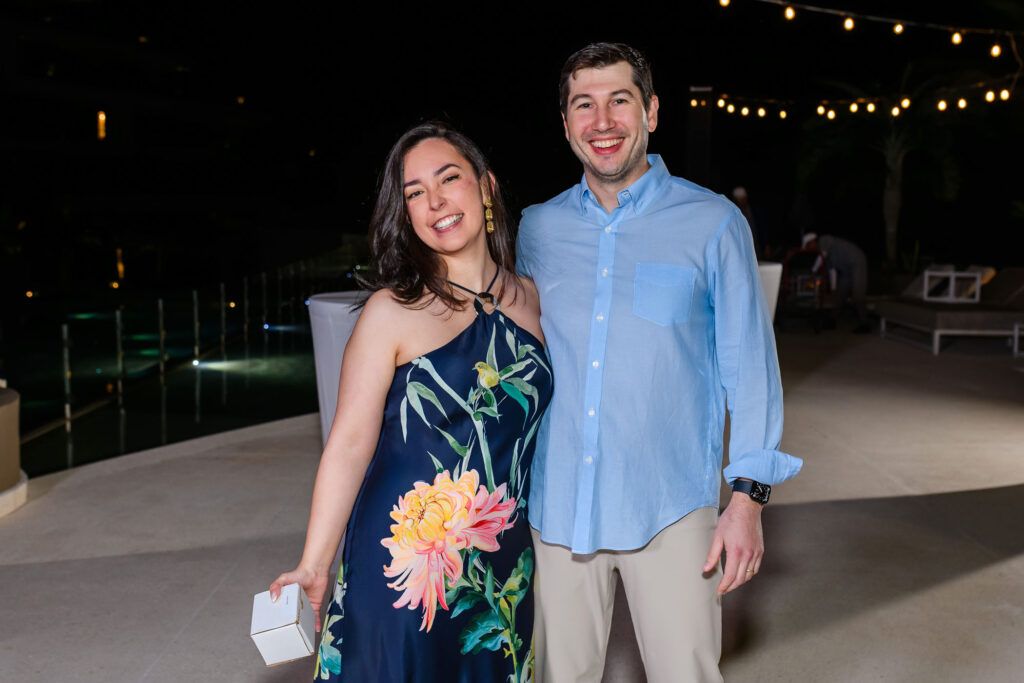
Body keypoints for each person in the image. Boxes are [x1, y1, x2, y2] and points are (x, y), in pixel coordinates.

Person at [516, 43, 803, 682]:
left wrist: (748, 500)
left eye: (619, 101)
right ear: (565, 123)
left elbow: (751, 370)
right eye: (584, 105)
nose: (602, 121)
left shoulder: (714, 223)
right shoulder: (537, 229)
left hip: (672, 506)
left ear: (650, 111)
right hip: (559, 507)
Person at [270, 122, 552, 682]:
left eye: (449, 179)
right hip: (405, 564)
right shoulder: (392, 310)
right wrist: (314, 564)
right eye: (416, 193)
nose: (436, 201)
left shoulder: (530, 298)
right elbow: (350, 444)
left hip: (499, 567)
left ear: (487, 186)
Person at [802, 232, 870, 333]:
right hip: (846, 270)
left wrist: (813, 271)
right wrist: (833, 289)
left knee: (858, 295)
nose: (809, 249)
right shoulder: (826, 256)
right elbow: (832, 271)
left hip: (856, 262)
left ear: (812, 242)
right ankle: (832, 321)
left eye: (808, 246)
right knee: (839, 295)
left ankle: (865, 324)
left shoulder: (824, 240)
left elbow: (821, 257)